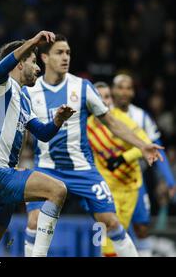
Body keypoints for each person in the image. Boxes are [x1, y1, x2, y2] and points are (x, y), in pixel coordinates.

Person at [23, 35, 162, 257]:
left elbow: (111, 122)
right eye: (59, 52)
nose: (65, 57)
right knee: (34, 220)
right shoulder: (29, 91)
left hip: (83, 170)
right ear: (45, 57)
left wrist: (143, 145)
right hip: (46, 168)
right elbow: (20, 132)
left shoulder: (83, 87)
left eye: (68, 52)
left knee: (111, 222)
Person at [0, 30, 75, 257]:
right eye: (33, 62)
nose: (38, 68)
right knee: (57, 190)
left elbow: (42, 133)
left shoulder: (22, 98)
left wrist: (58, 121)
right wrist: (32, 42)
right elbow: (0, 69)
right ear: (20, 63)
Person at [111, 74, 176, 256]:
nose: (124, 91)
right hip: (109, 181)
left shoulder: (141, 116)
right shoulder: (103, 114)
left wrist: (170, 180)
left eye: (128, 87)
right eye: (120, 87)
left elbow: (158, 149)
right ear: (113, 90)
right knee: (109, 226)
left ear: (133, 92)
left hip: (135, 179)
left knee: (141, 227)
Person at [87, 82, 153, 256]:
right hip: (105, 190)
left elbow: (146, 145)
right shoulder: (85, 128)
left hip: (130, 187)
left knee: (119, 235)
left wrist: (122, 158)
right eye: (99, 97)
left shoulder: (122, 120)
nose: (104, 101)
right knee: (106, 238)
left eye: (107, 97)